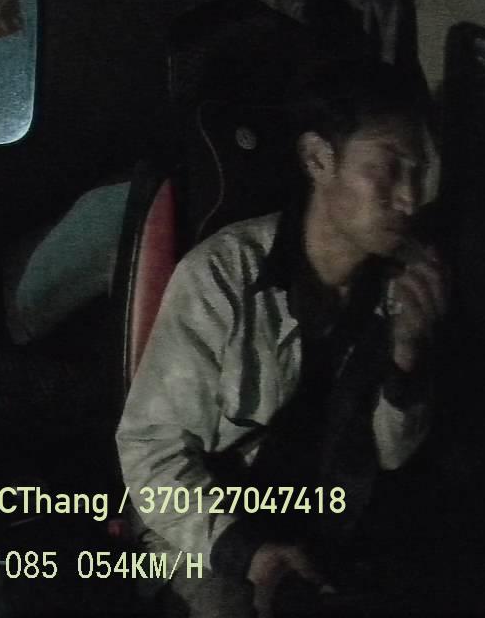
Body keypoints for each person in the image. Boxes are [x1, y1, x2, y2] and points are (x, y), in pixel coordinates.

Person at [116, 57, 447, 617]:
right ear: (318, 159)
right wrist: (248, 552)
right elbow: (152, 452)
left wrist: (408, 356)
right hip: (205, 527)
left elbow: (392, 455)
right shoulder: (224, 275)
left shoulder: (402, 286)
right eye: (389, 168)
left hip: (328, 526)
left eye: (418, 173)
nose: (409, 198)